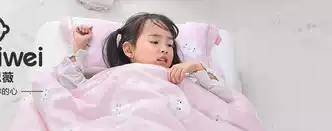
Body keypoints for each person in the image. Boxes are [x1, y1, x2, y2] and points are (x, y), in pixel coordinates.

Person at [56, 12, 233, 102]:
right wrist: (79, 47)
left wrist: (196, 67)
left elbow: (226, 96)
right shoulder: (116, 75)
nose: (165, 49)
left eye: (170, 45)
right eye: (155, 42)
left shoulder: (180, 77)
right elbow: (75, 87)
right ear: (129, 50)